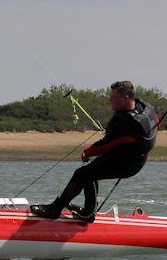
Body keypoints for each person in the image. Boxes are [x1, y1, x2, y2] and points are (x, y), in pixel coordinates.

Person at [30, 81, 158, 223]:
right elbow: (155, 123)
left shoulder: (127, 122)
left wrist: (87, 152)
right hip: (132, 156)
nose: (110, 100)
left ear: (126, 98)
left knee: (81, 174)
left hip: (127, 164)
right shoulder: (145, 107)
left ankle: (55, 209)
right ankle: (88, 212)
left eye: (113, 97)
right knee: (89, 174)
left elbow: (103, 146)